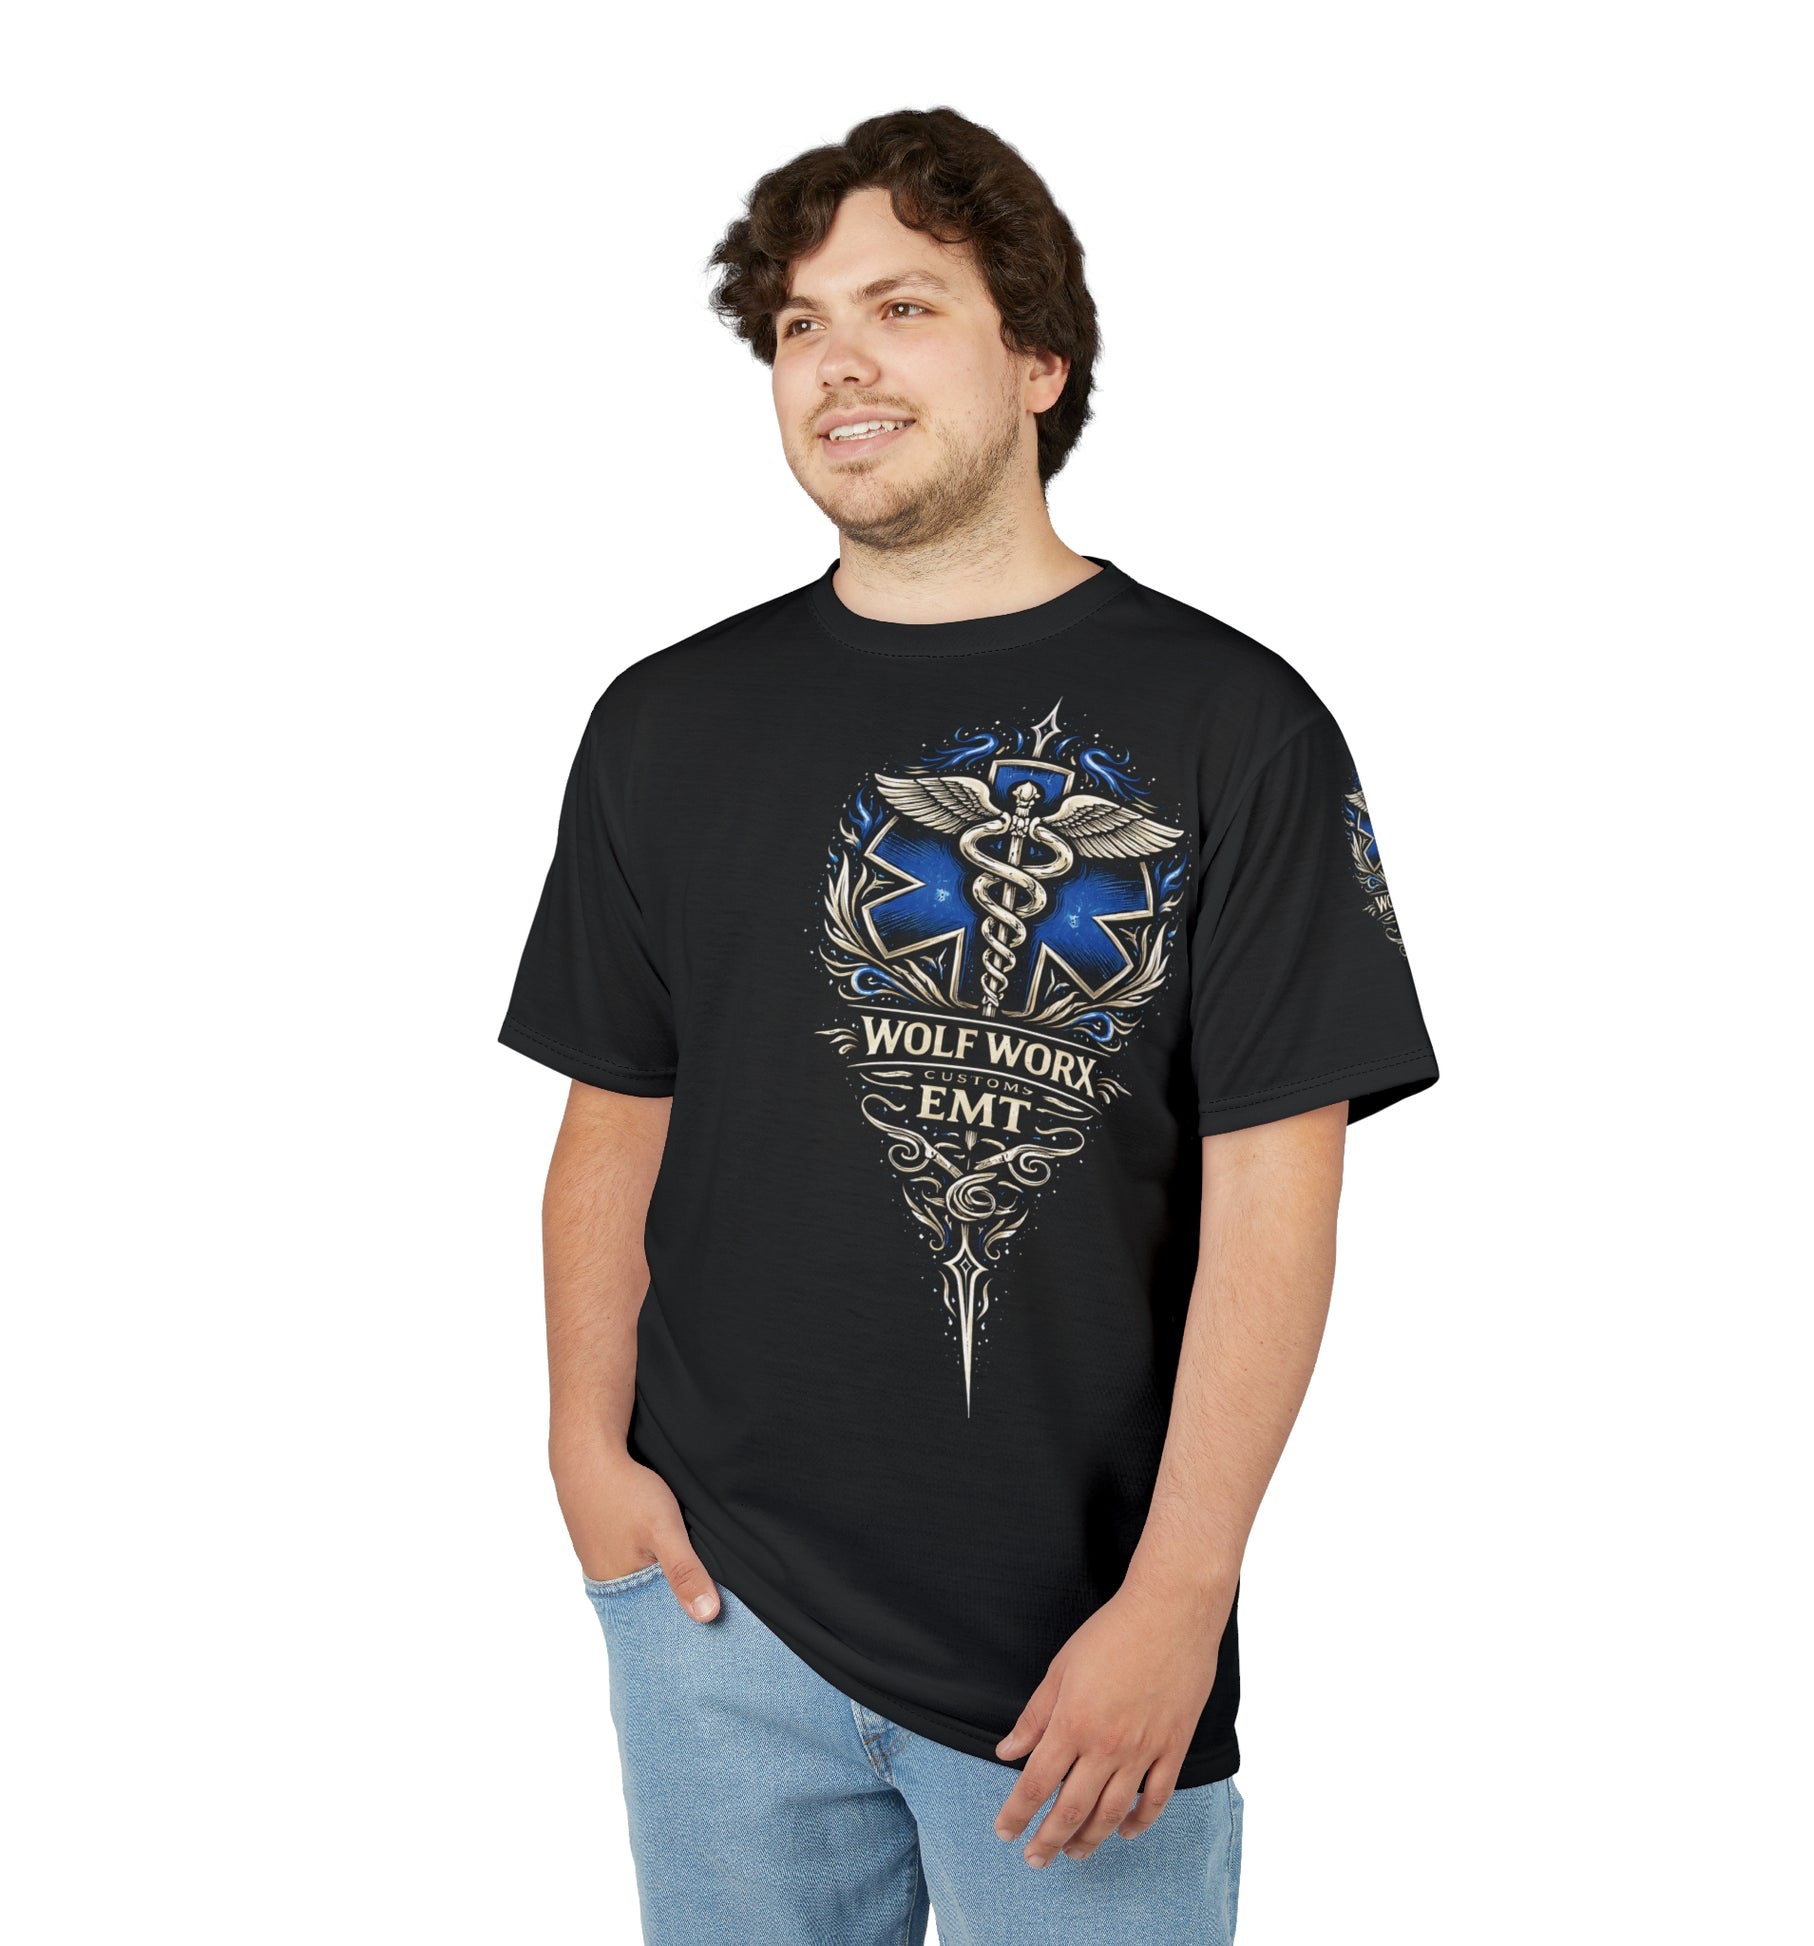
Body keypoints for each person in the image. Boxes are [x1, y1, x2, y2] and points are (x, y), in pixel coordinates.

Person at [499, 106, 1438, 1945]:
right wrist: (582, 1456)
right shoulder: (664, 723)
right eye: (798, 325)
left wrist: (1177, 1598)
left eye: (902, 306)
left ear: (1037, 360)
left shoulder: (1233, 723)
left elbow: (1276, 1192)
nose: (835, 359)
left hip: (1078, 1648)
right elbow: (616, 1115)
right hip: (713, 1616)